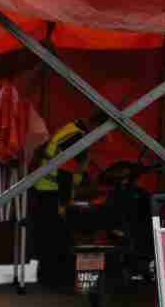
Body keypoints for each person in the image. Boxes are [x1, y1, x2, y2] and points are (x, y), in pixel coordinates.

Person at [31, 111, 108, 286]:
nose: (101, 139)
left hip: (46, 190)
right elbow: (66, 171)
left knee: (49, 238)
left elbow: (74, 168)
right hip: (52, 192)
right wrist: (65, 203)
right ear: (96, 126)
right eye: (103, 133)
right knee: (58, 239)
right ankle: (58, 282)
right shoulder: (78, 137)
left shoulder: (73, 129)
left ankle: (49, 280)